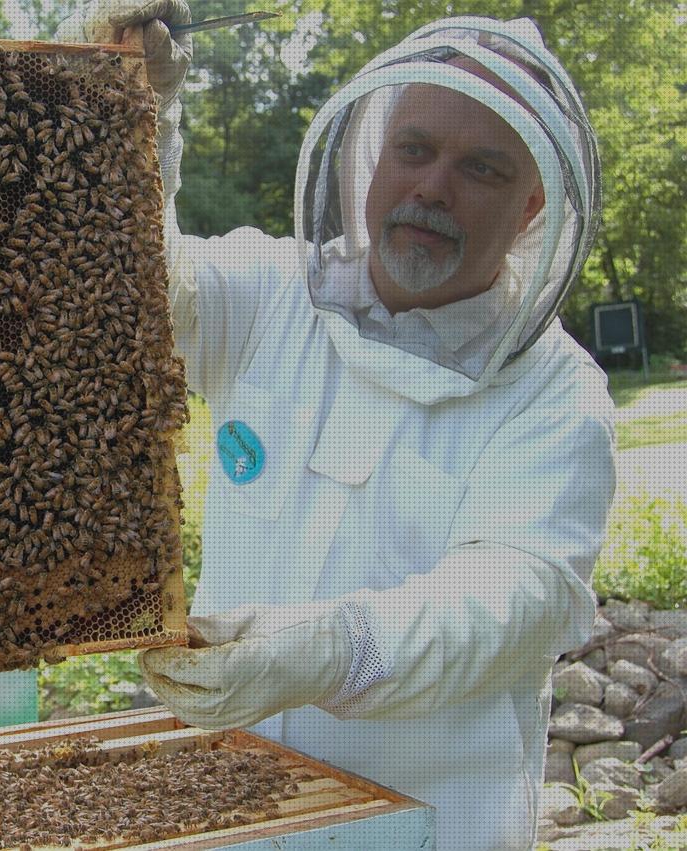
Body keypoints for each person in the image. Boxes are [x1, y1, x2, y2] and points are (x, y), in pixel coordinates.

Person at [58, 4, 614, 848]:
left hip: (428, 823)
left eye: (482, 169)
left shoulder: (555, 395)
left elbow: (516, 597)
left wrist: (334, 648)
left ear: (533, 203)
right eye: (415, 150)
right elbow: (128, 295)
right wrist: (124, 111)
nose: (432, 187)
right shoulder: (272, 294)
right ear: (372, 152)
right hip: (229, 807)